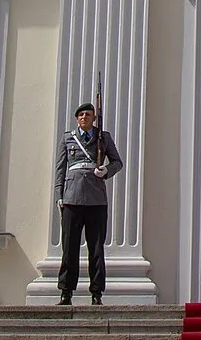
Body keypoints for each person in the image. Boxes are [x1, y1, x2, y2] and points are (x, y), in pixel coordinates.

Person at [53, 101, 124, 305]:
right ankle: (66, 291)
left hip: (96, 198)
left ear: (94, 118)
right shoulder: (68, 138)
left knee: (96, 248)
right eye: (81, 115)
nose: (84, 117)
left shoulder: (103, 137)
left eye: (88, 114)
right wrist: (59, 194)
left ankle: (96, 292)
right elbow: (60, 168)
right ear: (77, 119)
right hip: (72, 197)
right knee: (70, 247)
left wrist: (106, 171)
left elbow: (117, 162)